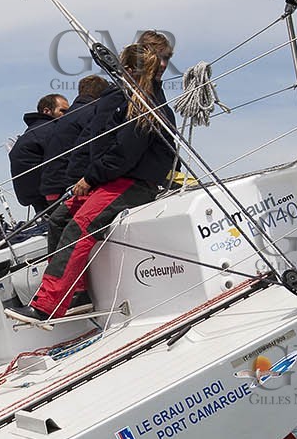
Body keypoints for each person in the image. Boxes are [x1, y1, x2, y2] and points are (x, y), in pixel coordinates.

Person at [12, 33, 176, 321]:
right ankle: (77, 294)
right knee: (60, 219)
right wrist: (92, 177)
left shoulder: (143, 102)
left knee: (79, 228)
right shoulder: (130, 97)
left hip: (133, 182)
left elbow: (124, 153)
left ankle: (47, 305)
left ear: (127, 69)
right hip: (113, 178)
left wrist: (89, 178)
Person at [38, 74, 114, 204]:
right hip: (70, 187)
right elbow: (101, 146)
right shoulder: (93, 113)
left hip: (51, 188)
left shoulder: (64, 119)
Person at [9, 94, 68, 211]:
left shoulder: (31, 133)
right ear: (47, 111)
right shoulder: (51, 130)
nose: (67, 115)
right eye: (62, 111)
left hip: (37, 201)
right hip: (54, 198)